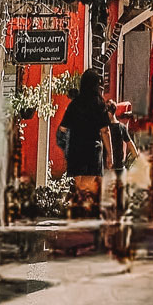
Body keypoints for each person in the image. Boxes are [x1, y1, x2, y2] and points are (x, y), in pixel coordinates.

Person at [56, 69, 113, 218]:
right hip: (92, 148)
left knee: (80, 183)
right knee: (86, 184)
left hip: (75, 148)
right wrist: (110, 155)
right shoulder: (99, 104)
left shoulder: (75, 104)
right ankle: (86, 213)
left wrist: (65, 145)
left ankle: (81, 211)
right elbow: (105, 131)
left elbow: (63, 128)